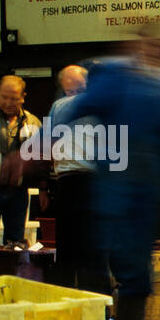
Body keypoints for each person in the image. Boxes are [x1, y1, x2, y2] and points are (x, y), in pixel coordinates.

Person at [63, 28, 160, 320]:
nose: (156, 51)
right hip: (113, 182)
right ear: (138, 43)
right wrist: (39, 144)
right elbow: (78, 108)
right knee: (99, 252)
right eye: (152, 44)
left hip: (147, 186)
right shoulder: (113, 73)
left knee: (136, 264)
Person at [47, 65, 109, 292]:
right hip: (70, 181)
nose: (74, 97)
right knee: (72, 247)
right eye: (70, 92)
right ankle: (74, 300)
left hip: (90, 181)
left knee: (87, 247)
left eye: (79, 91)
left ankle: (94, 300)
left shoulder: (64, 107)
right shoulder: (61, 107)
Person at [0, 76, 41, 245]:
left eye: (14, 98)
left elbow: (41, 159)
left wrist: (43, 189)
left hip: (18, 193)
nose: (8, 102)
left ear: (23, 97)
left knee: (16, 243)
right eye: (4, 97)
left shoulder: (33, 122)